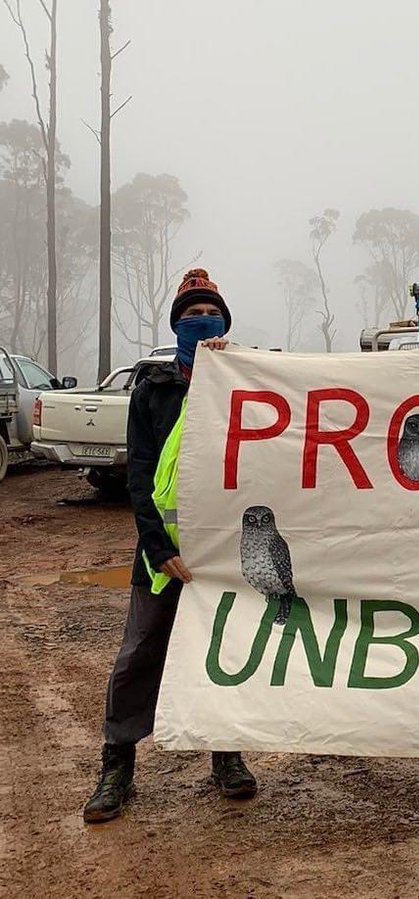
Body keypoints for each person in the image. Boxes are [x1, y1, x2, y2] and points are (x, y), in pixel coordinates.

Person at [84, 269, 257, 823]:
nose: (200, 322)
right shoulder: (153, 392)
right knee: (139, 654)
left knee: (220, 655)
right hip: (164, 558)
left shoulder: (244, 384)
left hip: (222, 556)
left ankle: (225, 756)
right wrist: (157, 548)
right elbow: (139, 476)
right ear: (175, 327)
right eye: (189, 316)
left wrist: (236, 369)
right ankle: (117, 765)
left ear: (224, 323)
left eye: (209, 315)